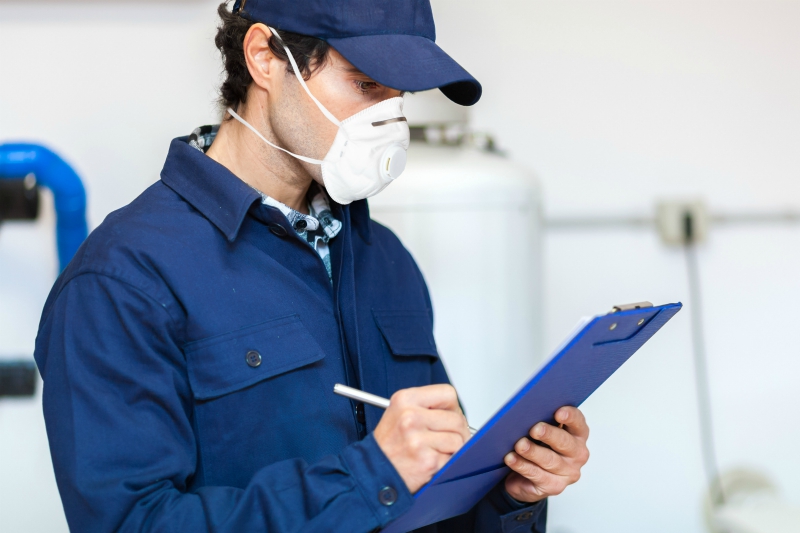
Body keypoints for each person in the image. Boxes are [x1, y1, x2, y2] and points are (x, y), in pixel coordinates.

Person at [34, 1, 590, 531]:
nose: (389, 119)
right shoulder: (123, 279)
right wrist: (370, 476)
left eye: (401, 94)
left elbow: (432, 495)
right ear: (265, 57)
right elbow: (132, 523)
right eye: (366, 83)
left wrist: (507, 490)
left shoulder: (384, 256)